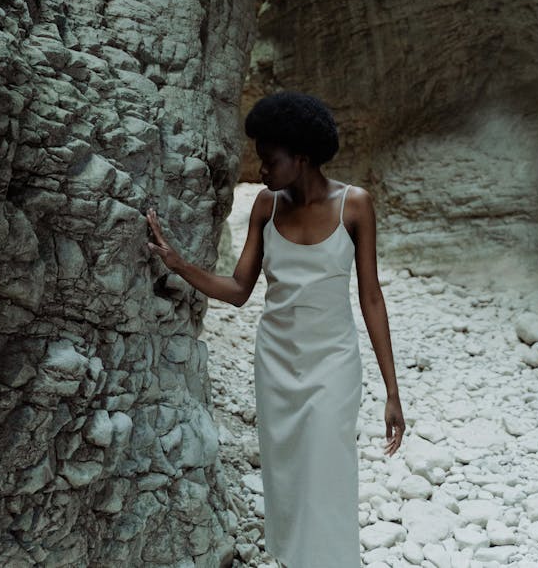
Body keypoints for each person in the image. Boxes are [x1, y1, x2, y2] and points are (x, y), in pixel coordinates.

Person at [146, 89, 405, 568]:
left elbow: (371, 297)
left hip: (333, 363)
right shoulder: (266, 206)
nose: (261, 171)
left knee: (328, 471)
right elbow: (240, 289)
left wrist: (392, 390)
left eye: (269, 161)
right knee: (285, 478)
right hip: (276, 364)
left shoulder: (356, 205)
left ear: (302, 157)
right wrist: (177, 264)